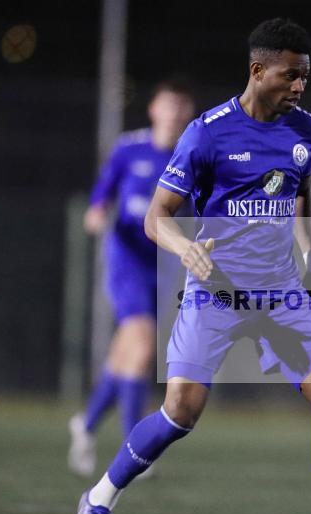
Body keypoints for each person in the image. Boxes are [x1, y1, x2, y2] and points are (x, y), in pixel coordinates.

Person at [67, 18, 311, 514]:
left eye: (305, 76)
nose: (299, 86)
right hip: (215, 292)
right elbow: (156, 218)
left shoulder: (307, 129)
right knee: (180, 413)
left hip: (282, 293)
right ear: (258, 70)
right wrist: (186, 249)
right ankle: (98, 501)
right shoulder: (206, 134)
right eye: (291, 75)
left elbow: (300, 190)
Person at [67, 80, 195, 477]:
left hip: (164, 263)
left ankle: (86, 425)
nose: (173, 114)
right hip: (126, 261)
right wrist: (96, 210)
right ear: (154, 109)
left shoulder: (192, 155)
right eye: (167, 105)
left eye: (180, 107)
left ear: (188, 113)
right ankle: (135, 446)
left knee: (124, 356)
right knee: (141, 349)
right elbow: (103, 191)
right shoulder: (129, 148)